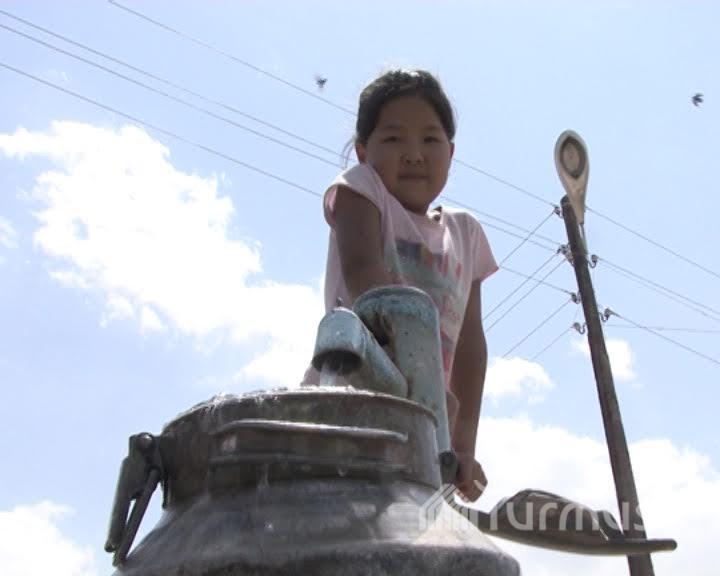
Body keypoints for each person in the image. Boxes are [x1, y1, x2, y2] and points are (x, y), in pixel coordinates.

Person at [321, 69, 497, 501]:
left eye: (430, 140)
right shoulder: (360, 190)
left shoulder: (467, 233)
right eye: (394, 138)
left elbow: (470, 346)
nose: (414, 154)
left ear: (450, 153)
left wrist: (463, 449)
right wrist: (424, 385)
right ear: (363, 151)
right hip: (353, 407)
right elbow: (366, 281)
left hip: (427, 432)